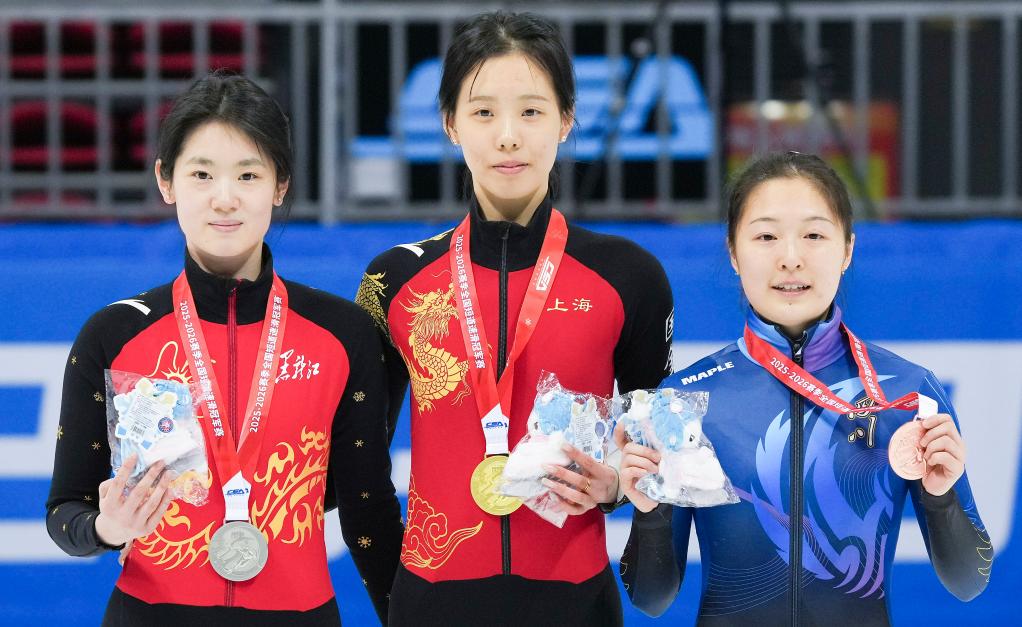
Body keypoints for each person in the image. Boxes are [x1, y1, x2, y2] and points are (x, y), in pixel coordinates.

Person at [46, 72, 403, 626]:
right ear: (166, 180)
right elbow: (65, 510)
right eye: (202, 174)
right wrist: (108, 528)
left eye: (249, 174)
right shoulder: (113, 334)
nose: (225, 198)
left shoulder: (343, 333)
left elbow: (366, 508)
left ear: (280, 185)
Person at [354, 11, 674, 626]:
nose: (508, 137)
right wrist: (396, 605)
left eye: (531, 111)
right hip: (430, 602)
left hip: (577, 603)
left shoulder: (629, 277)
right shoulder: (392, 282)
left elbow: (660, 462)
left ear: (566, 120)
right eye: (483, 113)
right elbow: (362, 470)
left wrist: (614, 488)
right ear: (450, 124)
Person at [616, 151, 992, 624]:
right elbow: (650, 598)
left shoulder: (908, 396)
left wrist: (941, 498)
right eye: (766, 236)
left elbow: (969, 582)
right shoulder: (680, 405)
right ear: (733, 253)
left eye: (814, 235)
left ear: (847, 250)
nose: (790, 259)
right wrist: (650, 513)